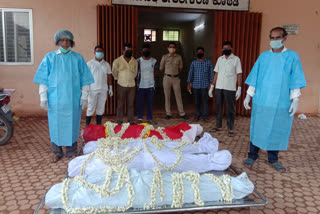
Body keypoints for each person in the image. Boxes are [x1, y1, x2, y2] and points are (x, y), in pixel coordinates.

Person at [243, 27, 306, 172]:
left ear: (285, 38)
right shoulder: (264, 57)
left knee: (277, 129)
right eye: (272, 37)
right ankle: (252, 155)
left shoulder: (292, 57)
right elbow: (255, 77)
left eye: (278, 37)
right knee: (258, 128)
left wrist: (295, 99)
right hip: (262, 101)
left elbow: (295, 78)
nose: (275, 40)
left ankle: (273, 158)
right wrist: (248, 94)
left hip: (281, 102)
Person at [33, 29, 94, 163]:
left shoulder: (78, 58)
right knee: (55, 125)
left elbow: (85, 79)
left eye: (67, 40)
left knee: (72, 125)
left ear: (71, 42)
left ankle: (71, 151)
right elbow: (43, 80)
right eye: (62, 40)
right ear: (57, 42)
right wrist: (43, 97)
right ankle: (56, 151)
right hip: (55, 100)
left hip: (73, 100)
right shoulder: (49, 58)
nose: (65, 43)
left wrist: (84, 96)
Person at [209, 41, 242, 137]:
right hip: (219, 87)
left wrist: (239, 87)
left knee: (230, 109)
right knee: (218, 107)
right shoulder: (220, 59)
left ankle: (230, 128)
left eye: (227, 48)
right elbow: (216, 73)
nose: (225, 49)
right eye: (224, 48)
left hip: (230, 88)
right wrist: (212, 86)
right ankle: (218, 126)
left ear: (231, 49)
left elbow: (239, 74)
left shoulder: (236, 59)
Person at [86, 45, 113, 126]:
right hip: (92, 89)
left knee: (101, 108)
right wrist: (86, 88)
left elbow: (109, 76)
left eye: (101, 51)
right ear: (94, 52)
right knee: (91, 107)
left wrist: (110, 88)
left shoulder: (106, 64)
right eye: (97, 51)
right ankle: (87, 125)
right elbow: (86, 77)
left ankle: (98, 125)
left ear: (103, 53)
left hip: (103, 89)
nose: (99, 53)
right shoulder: (89, 64)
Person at [160, 42, 188, 120]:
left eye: (173, 47)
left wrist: (174, 74)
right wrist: (167, 74)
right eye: (170, 47)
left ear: (175, 49)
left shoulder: (179, 57)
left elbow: (180, 68)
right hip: (167, 78)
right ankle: (168, 113)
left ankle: (182, 113)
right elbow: (161, 68)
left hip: (176, 78)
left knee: (178, 96)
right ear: (168, 48)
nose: (172, 48)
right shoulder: (164, 57)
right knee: (167, 97)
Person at [112, 43, 138, 125]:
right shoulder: (117, 61)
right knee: (120, 104)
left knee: (131, 105)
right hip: (121, 85)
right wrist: (119, 79)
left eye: (130, 50)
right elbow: (114, 73)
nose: (129, 52)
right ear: (123, 51)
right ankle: (119, 121)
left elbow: (135, 73)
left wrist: (130, 78)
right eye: (127, 50)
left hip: (132, 86)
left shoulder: (135, 61)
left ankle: (131, 121)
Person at [187, 47, 214, 122]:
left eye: (201, 52)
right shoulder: (194, 63)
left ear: (204, 53)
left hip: (205, 86)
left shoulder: (208, 62)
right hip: (195, 86)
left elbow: (211, 74)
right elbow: (190, 73)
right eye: (198, 52)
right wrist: (189, 84)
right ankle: (197, 116)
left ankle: (205, 117)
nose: (200, 53)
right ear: (196, 53)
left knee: (205, 102)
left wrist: (211, 85)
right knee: (196, 102)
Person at [136, 43, 158, 124]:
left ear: (150, 50)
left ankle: (150, 118)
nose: (146, 51)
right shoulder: (138, 61)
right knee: (139, 103)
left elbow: (156, 72)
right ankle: (140, 118)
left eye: (147, 50)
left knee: (150, 103)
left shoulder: (154, 61)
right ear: (142, 51)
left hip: (150, 85)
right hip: (140, 85)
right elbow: (135, 72)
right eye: (144, 50)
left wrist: (152, 80)